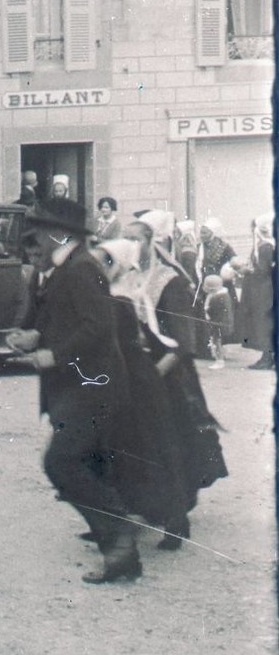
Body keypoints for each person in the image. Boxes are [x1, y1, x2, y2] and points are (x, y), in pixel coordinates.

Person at [6, 197, 139, 584]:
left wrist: (53, 354)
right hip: (81, 387)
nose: (35, 244)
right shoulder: (68, 269)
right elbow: (73, 322)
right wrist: (35, 337)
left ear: (58, 233)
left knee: (60, 462)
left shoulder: (82, 269)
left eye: (40, 234)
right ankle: (120, 550)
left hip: (93, 388)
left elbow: (100, 327)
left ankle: (120, 540)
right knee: (88, 464)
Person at [116, 215, 227, 536]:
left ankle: (176, 518)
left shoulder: (171, 281)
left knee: (169, 445)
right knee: (129, 443)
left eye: (136, 239)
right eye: (126, 239)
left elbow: (183, 342)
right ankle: (127, 510)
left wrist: (153, 377)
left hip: (169, 378)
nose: (130, 246)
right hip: (134, 374)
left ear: (155, 242)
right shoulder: (126, 277)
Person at [91, 238, 193, 550]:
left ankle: (176, 520)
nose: (100, 270)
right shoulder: (116, 292)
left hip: (135, 380)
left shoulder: (123, 294)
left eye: (106, 263)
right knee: (118, 449)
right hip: (121, 378)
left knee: (152, 447)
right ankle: (114, 518)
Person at [239, 212, 275, 369]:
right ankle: (266, 357)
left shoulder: (265, 247)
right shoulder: (265, 245)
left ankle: (267, 359)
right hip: (261, 290)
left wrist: (246, 270)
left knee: (264, 324)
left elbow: (263, 270)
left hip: (263, 291)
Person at [201, 273, 234, 369]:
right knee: (218, 341)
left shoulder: (217, 298)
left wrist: (207, 312)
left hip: (218, 323)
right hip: (222, 322)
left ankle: (219, 361)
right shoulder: (224, 294)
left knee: (217, 341)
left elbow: (212, 310)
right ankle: (221, 357)